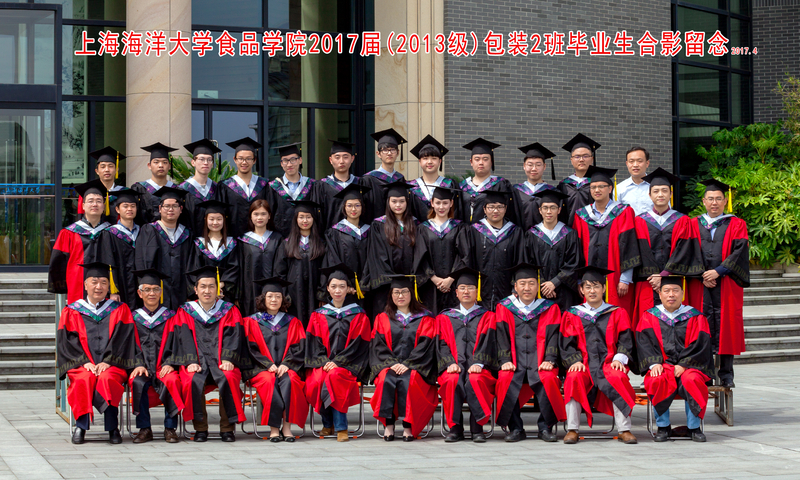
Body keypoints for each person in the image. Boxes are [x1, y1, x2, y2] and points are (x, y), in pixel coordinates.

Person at [157, 266, 250, 442]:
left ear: (217, 289)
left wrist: (228, 358)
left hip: (221, 360)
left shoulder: (229, 310)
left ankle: (227, 429)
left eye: (211, 286)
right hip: (196, 361)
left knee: (229, 376)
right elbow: (183, 337)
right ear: (196, 289)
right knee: (191, 379)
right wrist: (190, 361)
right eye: (203, 286)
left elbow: (234, 336)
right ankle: (200, 429)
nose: (207, 291)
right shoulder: (185, 311)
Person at [56, 262, 138, 445]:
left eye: (103, 282)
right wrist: (84, 362)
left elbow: (123, 339)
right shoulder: (72, 310)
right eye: (94, 282)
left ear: (109, 287)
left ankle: (112, 427)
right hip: (82, 365)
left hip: (113, 365)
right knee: (83, 379)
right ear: (85, 285)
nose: (99, 287)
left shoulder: (120, 309)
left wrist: (108, 361)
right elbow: (66, 342)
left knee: (107, 378)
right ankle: (81, 426)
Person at [560, 266, 638, 445]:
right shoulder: (572, 314)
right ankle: (572, 429)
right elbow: (566, 343)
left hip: (608, 363)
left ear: (604, 288)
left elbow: (626, 340)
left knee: (618, 377)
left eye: (596, 286)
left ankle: (624, 429)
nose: (592, 291)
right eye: (588, 287)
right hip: (584, 364)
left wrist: (619, 357)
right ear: (581, 290)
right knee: (573, 377)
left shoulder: (617, 312)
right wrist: (574, 360)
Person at [635, 275, 714, 443]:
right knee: (657, 379)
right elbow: (644, 343)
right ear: (660, 294)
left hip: (690, 366)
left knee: (692, 380)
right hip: (662, 365)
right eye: (667, 291)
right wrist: (654, 363)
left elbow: (702, 344)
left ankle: (694, 427)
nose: (671, 294)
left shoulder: (695, 317)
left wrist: (684, 364)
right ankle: (663, 426)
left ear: (683, 294)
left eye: (675, 290)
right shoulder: (649, 316)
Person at [494, 263, 566, 443]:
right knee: (505, 378)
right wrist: (505, 359)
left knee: (549, 378)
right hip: (514, 361)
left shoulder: (550, 308)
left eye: (532, 283)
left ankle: (545, 427)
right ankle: (515, 428)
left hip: (540, 361)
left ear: (538, 285)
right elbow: (501, 336)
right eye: (523, 283)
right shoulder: (504, 307)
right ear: (515, 286)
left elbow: (554, 336)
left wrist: (550, 359)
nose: (527, 288)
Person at [690, 179, 749, 388]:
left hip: (727, 282)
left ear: (725, 201)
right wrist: (702, 275)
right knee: (701, 324)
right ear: (704, 201)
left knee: (727, 325)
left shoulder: (737, 224)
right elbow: (688, 252)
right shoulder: (693, 224)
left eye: (718, 199)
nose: (714, 203)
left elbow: (739, 252)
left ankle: (726, 374)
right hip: (700, 284)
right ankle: (705, 371)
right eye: (710, 199)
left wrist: (718, 271)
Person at [305, 265, 372, 442]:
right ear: (327, 288)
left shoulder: (359, 315)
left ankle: (340, 427)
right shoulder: (318, 315)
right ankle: (328, 423)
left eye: (342, 286)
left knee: (334, 377)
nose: (337, 290)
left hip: (349, 365)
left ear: (348, 289)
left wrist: (338, 362)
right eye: (333, 286)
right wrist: (324, 361)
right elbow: (313, 343)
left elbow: (360, 344)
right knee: (316, 382)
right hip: (324, 363)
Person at [369, 275, 439, 442]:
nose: (400, 296)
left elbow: (426, 345)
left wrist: (408, 364)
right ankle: (389, 425)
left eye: (404, 292)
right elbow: (378, 345)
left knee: (410, 379)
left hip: (416, 366)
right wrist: (392, 363)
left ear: (411, 293)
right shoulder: (382, 318)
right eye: (396, 292)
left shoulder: (425, 318)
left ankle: (408, 426)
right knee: (385, 379)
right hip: (389, 365)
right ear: (391, 295)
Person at [632, 167, 704, 326]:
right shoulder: (639, 221)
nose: (660, 194)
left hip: (674, 280)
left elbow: (684, 250)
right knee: (648, 324)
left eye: (664, 191)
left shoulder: (682, 220)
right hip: (648, 281)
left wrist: (664, 274)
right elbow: (640, 251)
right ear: (649, 195)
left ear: (671, 194)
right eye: (656, 191)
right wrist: (654, 276)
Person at [435, 267, 498, 443]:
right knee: (451, 380)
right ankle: (455, 428)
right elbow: (441, 343)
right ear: (456, 293)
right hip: (453, 365)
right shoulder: (445, 317)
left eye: (470, 288)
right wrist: (449, 363)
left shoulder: (487, 316)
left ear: (477, 291)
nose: (466, 291)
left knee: (476, 380)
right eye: (462, 288)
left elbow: (490, 343)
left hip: (480, 367)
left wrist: (479, 363)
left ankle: (477, 428)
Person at [242, 277, 308, 442]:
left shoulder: (293, 322)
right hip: (261, 368)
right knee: (269, 381)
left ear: (283, 300)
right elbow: (249, 348)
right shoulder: (251, 322)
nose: (274, 300)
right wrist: (267, 364)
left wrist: (287, 364)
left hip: (287, 367)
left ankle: (286, 427)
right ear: (263, 299)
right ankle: (273, 429)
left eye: (278, 296)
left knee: (291, 380)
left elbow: (299, 347)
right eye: (270, 296)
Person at [572, 165, 641, 320]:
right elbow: (577, 249)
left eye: (601, 186)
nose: (597, 190)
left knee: (617, 313)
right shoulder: (581, 215)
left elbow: (629, 245)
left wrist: (625, 278)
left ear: (610, 189)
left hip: (616, 276)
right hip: (589, 277)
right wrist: (580, 279)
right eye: (593, 187)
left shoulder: (623, 212)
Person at [128, 269, 184, 443]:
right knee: (137, 381)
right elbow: (128, 345)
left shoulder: (172, 317)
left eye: (155, 289)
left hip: (164, 366)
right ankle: (144, 428)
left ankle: (170, 428)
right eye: (147, 289)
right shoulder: (133, 318)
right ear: (140, 293)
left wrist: (171, 363)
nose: (151, 293)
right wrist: (137, 364)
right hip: (142, 366)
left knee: (172, 380)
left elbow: (179, 344)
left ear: (161, 292)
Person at [362, 181, 431, 318]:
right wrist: (393, 280)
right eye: (394, 201)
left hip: (410, 283)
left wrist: (410, 278)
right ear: (388, 202)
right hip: (386, 286)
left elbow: (420, 252)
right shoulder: (379, 225)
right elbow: (377, 255)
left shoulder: (415, 224)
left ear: (407, 202)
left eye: (401, 201)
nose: (398, 205)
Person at [453, 190, 524, 310]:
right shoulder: (473, 231)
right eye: (491, 207)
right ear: (484, 209)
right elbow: (468, 261)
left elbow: (520, 261)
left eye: (500, 207)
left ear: (505, 208)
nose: (495, 211)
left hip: (507, 291)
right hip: (481, 292)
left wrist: (515, 288)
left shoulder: (515, 232)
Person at [49, 180, 110, 304]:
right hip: (77, 287)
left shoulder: (111, 232)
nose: (95, 204)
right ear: (83, 206)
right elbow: (58, 264)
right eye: (90, 201)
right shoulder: (68, 233)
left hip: (106, 289)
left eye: (99, 201)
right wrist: (63, 288)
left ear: (104, 206)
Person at [523, 189, 583, 312]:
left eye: (553, 208)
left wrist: (554, 282)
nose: (549, 211)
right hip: (540, 289)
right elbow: (528, 263)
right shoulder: (531, 234)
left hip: (564, 290)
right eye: (545, 208)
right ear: (540, 210)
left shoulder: (569, 234)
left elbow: (574, 263)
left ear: (559, 210)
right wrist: (545, 285)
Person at [134, 186, 193, 310]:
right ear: (160, 209)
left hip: (181, 292)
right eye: (167, 206)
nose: (170, 209)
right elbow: (143, 262)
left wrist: (190, 292)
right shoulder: (149, 230)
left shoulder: (187, 234)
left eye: (175, 206)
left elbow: (191, 264)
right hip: (157, 291)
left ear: (181, 209)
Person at [274, 200, 326, 326]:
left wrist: (322, 294)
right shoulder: (286, 244)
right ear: (296, 219)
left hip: (315, 292)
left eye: (308, 217)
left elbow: (325, 270)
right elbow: (280, 272)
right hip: (293, 294)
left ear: (313, 219)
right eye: (301, 217)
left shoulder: (321, 243)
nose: (305, 221)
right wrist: (285, 295)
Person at [320, 184, 371, 305]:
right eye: (349, 205)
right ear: (344, 207)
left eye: (357, 205)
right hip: (344, 290)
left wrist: (365, 284)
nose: (353, 209)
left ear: (362, 207)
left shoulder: (370, 231)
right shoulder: (335, 232)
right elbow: (333, 260)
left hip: (368, 289)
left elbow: (373, 259)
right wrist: (345, 284)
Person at [418, 186, 465, 314]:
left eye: (445, 203)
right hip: (430, 285)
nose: (441, 207)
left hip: (454, 284)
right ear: (432, 203)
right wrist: (433, 278)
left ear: (451, 203)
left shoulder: (460, 227)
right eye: (438, 203)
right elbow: (420, 256)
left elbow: (463, 255)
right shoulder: (423, 228)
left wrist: (450, 279)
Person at [186, 200, 241, 303]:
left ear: (224, 220)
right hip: (204, 294)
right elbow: (194, 269)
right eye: (211, 219)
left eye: (219, 219)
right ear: (205, 220)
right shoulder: (199, 244)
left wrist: (220, 286)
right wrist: (209, 289)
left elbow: (234, 268)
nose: (215, 222)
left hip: (225, 294)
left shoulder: (232, 243)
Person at [97, 189, 141, 311]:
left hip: (139, 287)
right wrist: (113, 291)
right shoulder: (110, 233)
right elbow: (108, 262)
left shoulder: (143, 232)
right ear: (117, 209)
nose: (129, 209)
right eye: (125, 206)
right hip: (121, 285)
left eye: (133, 206)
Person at [238, 200, 283, 317]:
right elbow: (240, 268)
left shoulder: (277, 239)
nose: (259, 217)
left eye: (263, 214)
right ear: (250, 217)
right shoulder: (243, 240)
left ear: (269, 216)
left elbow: (281, 266)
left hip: (272, 291)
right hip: (249, 290)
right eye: (256, 214)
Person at [218, 137, 269, 238]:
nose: (244, 162)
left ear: (254, 160)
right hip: (233, 239)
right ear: (235, 160)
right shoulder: (225, 186)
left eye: (248, 159)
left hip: (260, 239)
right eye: (240, 158)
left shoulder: (264, 184)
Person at [458, 138, 515, 224]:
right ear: (471, 162)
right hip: (465, 230)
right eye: (477, 159)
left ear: (491, 162)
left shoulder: (501, 184)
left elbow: (509, 213)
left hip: (491, 231)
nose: (481, 162)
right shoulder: (462, 186)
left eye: (485, 159)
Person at [268, 142, 317, 238]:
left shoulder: (312, 185)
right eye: (285, 161)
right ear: (281, 164)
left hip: (307, 239)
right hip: (281, 240)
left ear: (300, 160)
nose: (289, 164)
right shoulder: (273, 187)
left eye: (293, 159)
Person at [407, 135, 458, 221]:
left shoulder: (450, 184)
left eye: (434, 158)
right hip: (417, 229)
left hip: (446, 229)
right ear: (420, 161)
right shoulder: (411, 186)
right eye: (425, 158)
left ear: (440, 161)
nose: (429, 162)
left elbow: (456, 212)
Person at [314, 140, 362, 231]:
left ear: (352, 159)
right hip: (330, 237)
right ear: (330, 160)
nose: (341, 161)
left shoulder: (360, 183)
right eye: (337, 157)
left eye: (345, 157)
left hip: (357, 237)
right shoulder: (321, 186)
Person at [362, 128, 407, 223]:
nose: (389, 153)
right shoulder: (368, 179)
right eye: (385, 150)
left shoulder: (400, 178)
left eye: (392, 150)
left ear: (398, 153)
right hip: (375, 228)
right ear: (378, 154)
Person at [179, 139, 221, 235]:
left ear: (212, 164)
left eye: (209, 159)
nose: (206, 163)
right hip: (190, 239)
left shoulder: (217, 188)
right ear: (193, 162)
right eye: (201, 159)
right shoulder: (183, 189)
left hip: (213, 239)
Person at [512, 142, 558, 232]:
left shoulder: (553, 191)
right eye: (530, 165)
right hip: (520, 237)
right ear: (524, 166)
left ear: (544, 166)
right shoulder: (515, 191)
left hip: (544, 238)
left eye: (538, 165)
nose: (534, 168)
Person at [558, 134, 599, 226]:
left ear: (592, 159)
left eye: (585, 156)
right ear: (571, 160)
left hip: (593, 230)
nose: (581, 160)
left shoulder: (600, 183)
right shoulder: (563, 185)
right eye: (577, 156)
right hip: (569, 230)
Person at [132, 142, 178, 224]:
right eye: (156, 162)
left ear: (169, 166)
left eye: (164, 162)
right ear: (149, 165)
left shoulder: (176, 190)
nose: (161, 165)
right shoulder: (139, 189)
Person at [77, 147, 125, 223]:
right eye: (102, 167)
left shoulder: (123, 193)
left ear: (116, 170)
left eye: (110, 166)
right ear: (97, 171)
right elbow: (81, 219)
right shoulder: (86, 194)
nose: (107, 170)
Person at [617, 146, 654, 216]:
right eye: (631, 161)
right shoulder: (619, 189)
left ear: (647, 163)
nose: (635, 165)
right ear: (627, 164)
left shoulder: (656, 186)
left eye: (639, 161)